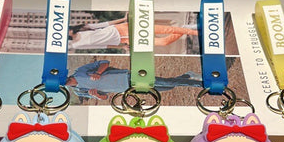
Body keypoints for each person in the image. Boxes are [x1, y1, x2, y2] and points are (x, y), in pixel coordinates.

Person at [66, 60, 202, 100]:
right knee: (168, 87)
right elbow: (105, 97)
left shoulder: (80, 71)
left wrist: (98, 72)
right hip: (129, 89)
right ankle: (187, 76)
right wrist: (97, 95)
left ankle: (201, 84)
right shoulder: (79, 91)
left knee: (169, 83)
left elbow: (104, 62)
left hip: (128, 77)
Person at [68, 13, 198, 50]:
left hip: (122, 28)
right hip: (126, 39)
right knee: (164, 42)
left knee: (167, 29)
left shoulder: (82, 28)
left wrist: (123, 19)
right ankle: (184, 29)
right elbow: (102, 46)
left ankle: (195, 31)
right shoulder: (76, 45)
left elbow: (104, 24)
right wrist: (122, 47)